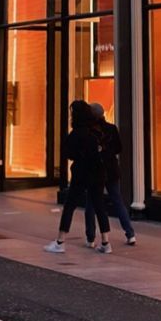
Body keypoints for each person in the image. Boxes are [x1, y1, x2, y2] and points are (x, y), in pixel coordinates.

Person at [44, 100, 111, 254]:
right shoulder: (94, 131)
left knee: (70, 205)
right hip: (97, 171)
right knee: (99, 205)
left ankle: (60, 241)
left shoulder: (75, 134)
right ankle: (106, 242)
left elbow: (68, 153)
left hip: (81, 172)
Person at [84, 102, 136, 247]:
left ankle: (90, 238)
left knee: (91, 203)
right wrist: (108, 153)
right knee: (117, 200)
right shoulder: (112, 128)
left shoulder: (89, 131)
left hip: (95, 170)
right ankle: (130, 233)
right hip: (112, 169)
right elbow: (119, 148)